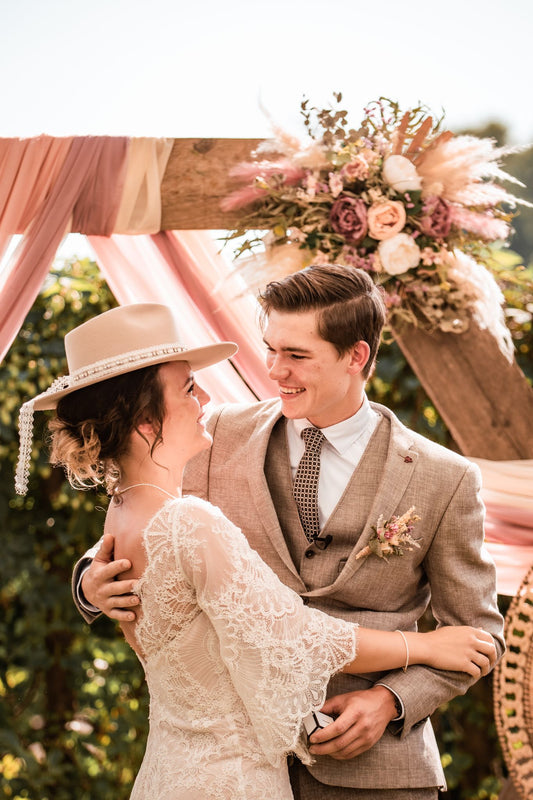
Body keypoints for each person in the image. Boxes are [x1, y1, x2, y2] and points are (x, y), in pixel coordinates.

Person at [73, 269, 505, 800]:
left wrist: (391, 701)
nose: (275, 370)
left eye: (297, 355)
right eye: (270, 349)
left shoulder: (445, 477)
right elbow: (146, 523)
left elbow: (480, 632)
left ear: (356, 356)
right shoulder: (214, 434)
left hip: (378, 772)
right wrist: (90, 585)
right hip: (237, 764)